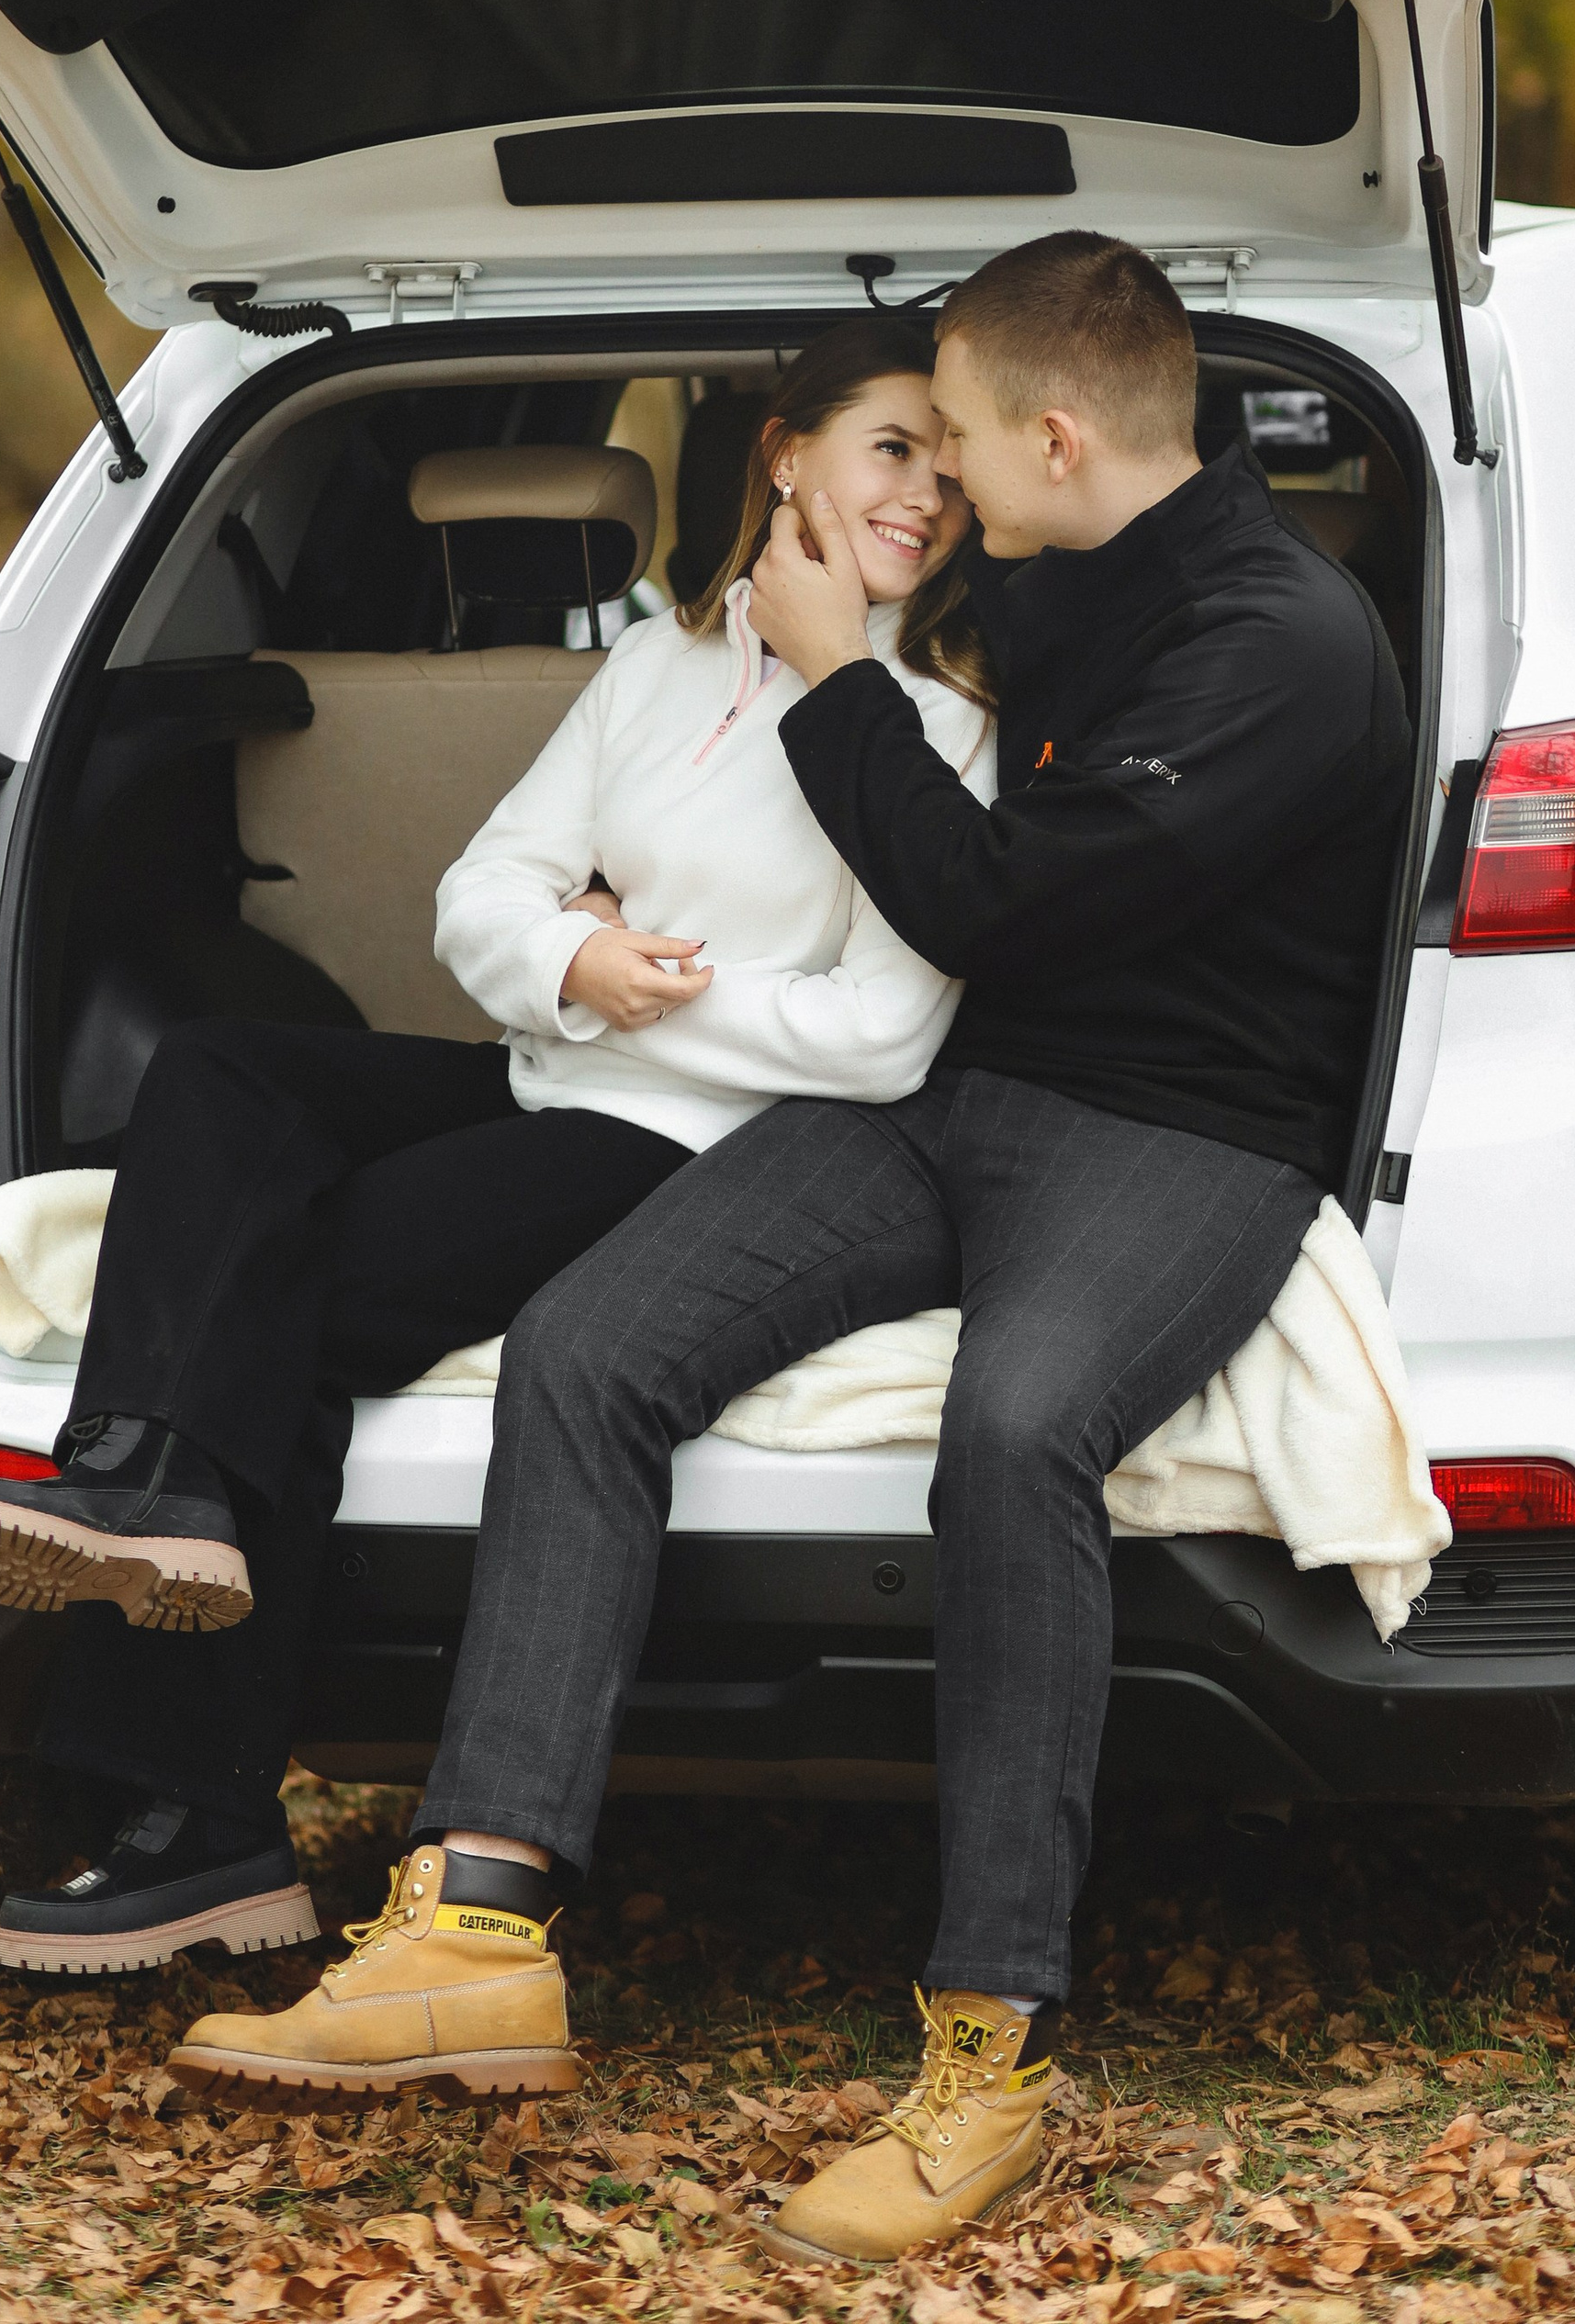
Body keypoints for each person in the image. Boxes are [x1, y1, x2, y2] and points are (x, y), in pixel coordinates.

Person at [164, 231, 1412, 2264]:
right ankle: (475, 1927)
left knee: (1011, 1430)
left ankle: (984, 2055)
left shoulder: (1282, 641)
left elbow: (991, 908)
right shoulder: (1041, 565)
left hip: (1177, 1138)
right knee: (587, 1347)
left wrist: (838, 677)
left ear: (1059, 436)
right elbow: (822, 591)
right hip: (944, 1109)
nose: (938, 495)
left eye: (962, 443)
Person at [0, 315, 993, 1976]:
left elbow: (884, 1038)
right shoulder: (650, 673)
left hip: (691, 1150)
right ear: (787, 454)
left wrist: (629, 986)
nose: (926, 495)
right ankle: (154, 1477)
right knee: (215, 1078)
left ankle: (195, 1812)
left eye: (951, 466)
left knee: (289, 1286)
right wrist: (567, 960)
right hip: (540, 1072)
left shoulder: (939, 725)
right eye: (893, 447)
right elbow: (472, 898)